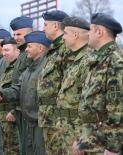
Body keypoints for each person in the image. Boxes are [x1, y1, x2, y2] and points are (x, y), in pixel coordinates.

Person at [0, 31, 51, 155]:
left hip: (41, 123)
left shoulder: (47, 67)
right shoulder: (30, 68)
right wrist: (1, 94)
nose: (26, 50)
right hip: (29, 121)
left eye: (29, 46)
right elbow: (18, 88)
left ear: (40, 48)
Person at [73, 13, 123, 155]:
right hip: (89, 139)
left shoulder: (115, 62)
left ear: (99, 32)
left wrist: (113, 148)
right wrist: (80, 139)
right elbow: (88, 105)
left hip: (103, 145)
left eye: (90, 30)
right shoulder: (98, 60)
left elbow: (118, 110)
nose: (88, 34)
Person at [53, 16, 92, 155]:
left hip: (78, 132)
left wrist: (82, 137)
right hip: (66, 128)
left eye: (66, 34)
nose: (63, 38)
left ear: (75, 35)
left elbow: (91, 103)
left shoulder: (88, 60)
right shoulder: (75, 59)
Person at [36, 10, 69, 155]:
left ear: (56, 26)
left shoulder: (65, 49)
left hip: (58, 118)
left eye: (45, 24)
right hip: (49, 116)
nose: (43, 28)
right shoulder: (55, 48)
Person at [9, 16, 33, 155]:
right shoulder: (23, 53)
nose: (15, 37)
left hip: (26, 110)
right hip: (19, 108)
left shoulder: (29, 54)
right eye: (14, 34)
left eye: (19, 34)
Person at [0, 37, 20, 155]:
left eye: (7, 50)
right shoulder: (8, 67)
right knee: (7, 150)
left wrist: (15, 111)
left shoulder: (19, 68)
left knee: (15, 150)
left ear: (17, 50)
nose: (3, 53)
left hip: (12, 119)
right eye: (3, 50)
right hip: (4, 119)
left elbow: (21, 91)